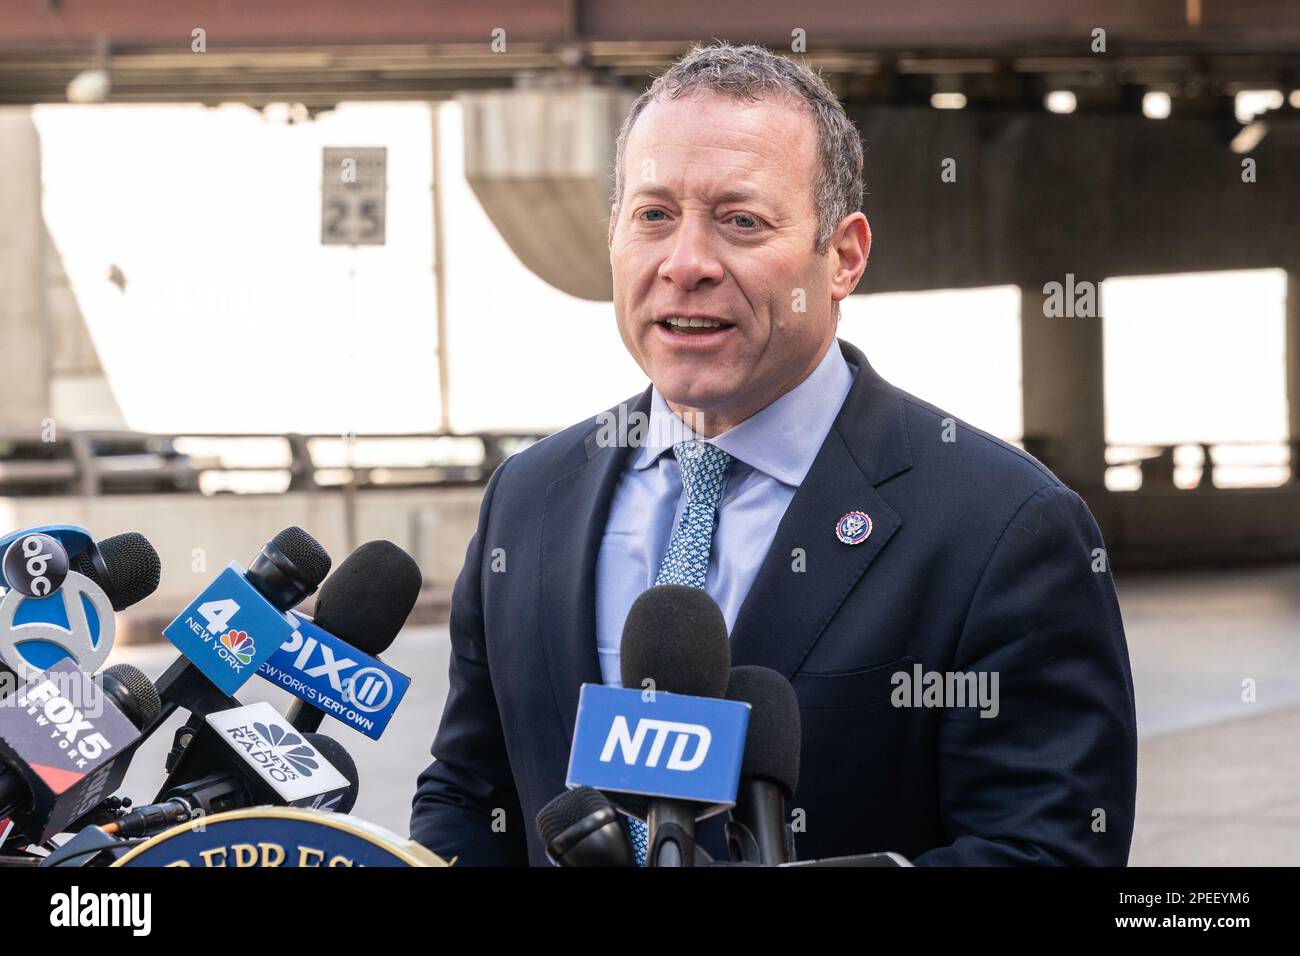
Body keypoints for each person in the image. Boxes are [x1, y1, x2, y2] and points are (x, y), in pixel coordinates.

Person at [411, 41, 1137, 866]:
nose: (685, 264)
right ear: (613, 236)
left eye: (741, 221)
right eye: (653, 216)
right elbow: (470, 791)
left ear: (845, 257)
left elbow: (1046, 852)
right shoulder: (529, 496)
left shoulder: (1005, 529)